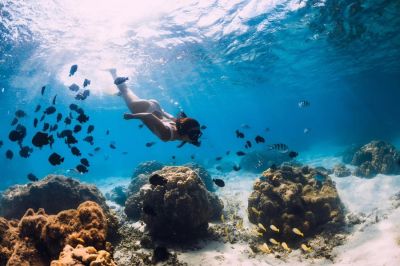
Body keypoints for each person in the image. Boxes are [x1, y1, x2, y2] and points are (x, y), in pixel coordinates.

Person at [109, 69, 202, 147]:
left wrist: (193, 141)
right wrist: (132, 116)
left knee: (126, 93)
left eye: (197, 134)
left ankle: (121, 93)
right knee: (124, 89)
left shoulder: (180, 127)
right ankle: (114, 73)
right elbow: (149, 116)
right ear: (184, 133)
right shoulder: (166, 135)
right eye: (196, 134)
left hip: (156, 107)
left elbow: (172, 120)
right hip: (144, 110)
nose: (196, 137)